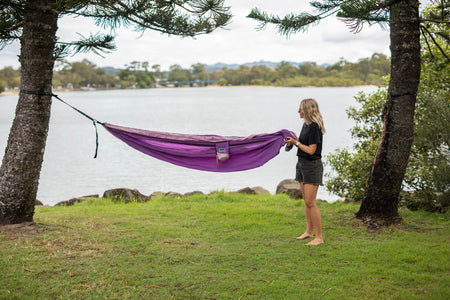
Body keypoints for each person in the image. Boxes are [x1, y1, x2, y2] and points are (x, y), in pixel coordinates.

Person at [285, 98, 325, 246]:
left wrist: (296, 143)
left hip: (312, 166)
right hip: (301, 164)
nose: (298, 111)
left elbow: (311, 150)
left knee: (310, 202)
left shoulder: (315, 127)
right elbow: (303, 145)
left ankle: (319, 237)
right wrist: (293, 142)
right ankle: (309, 232)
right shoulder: (306, 125)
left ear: (307, 110)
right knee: (306, 202)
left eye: (300, 109)